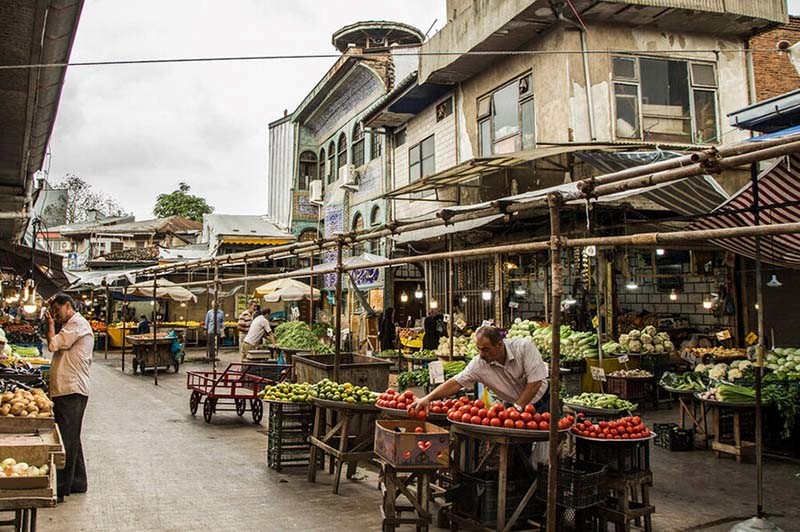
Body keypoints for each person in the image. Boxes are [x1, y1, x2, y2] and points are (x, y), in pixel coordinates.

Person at [411, 325, 549, 413]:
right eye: (479, 349)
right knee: (517, 451)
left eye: (486, 349)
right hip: (513, 406)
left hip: (540, 402)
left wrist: (518, 407)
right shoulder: (479, 363)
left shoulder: (524, 348)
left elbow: (535, 382)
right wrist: (428, 398)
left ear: (499, 345)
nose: (481, 354)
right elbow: (456, 382)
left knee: (543, 450)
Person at [44, 293, 94, 503]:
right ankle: (78, 482)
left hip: (72, 390)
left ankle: (62, 486)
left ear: (68, 306)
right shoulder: (72, 325)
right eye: (53, 312)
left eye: (57, 310)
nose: (55, 315)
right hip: (66, 390)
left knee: (67, 439)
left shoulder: (77, 325)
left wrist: (49, 324)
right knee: (72, 437)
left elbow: (53, 345)